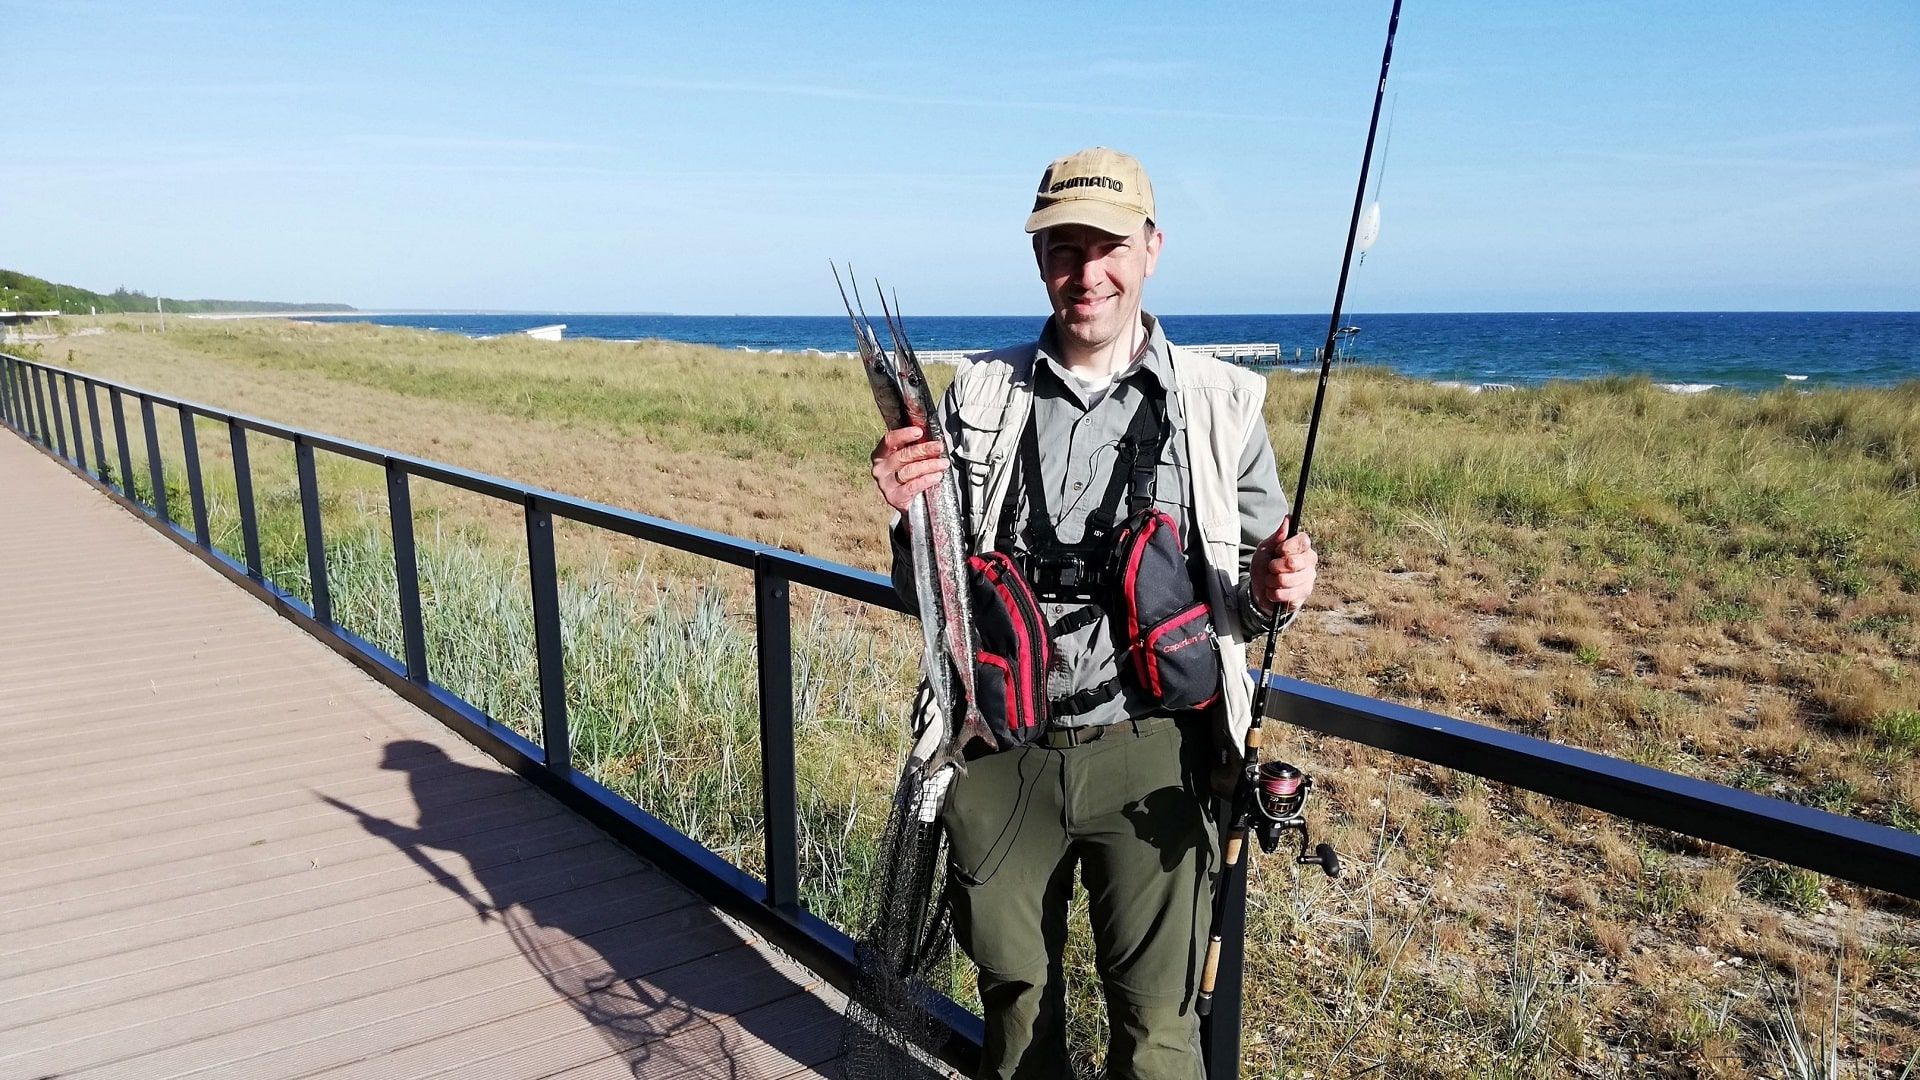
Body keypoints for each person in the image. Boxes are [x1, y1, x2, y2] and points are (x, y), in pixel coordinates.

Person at [871, 146, 1319, 1080]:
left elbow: (1263, 579)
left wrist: (1283, 588)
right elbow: (931, 593)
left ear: (1151, 247)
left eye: (1108, 246)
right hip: (996, 748)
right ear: (1040, 262)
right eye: (1064, 249)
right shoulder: (978, 396)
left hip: (1155, 753)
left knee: (1157, 1032)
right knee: (1014, 1008)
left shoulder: (1222, 404)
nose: (1089, 273)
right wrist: (907, 517)